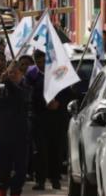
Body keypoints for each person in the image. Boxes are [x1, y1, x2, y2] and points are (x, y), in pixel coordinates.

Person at [28, 49, 70, 191]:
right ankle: (40, 180)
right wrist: (44, 103)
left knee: (55, 150)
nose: (40, 65)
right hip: (40, 119)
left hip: (57, 119)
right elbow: (30, 96)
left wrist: (58, 102)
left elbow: (67, 92)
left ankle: (55, 179)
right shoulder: (32, 76)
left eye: (42, 61)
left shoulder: (59, 73)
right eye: (37, 62)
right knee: (40, 151)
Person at [0, 61, 30, 196]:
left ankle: (16, 191)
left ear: (21, 74)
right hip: (4, 135)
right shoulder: (2, 87)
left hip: (21, 136)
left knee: (20, 170)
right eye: (10, 72)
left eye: (15, 73)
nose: (12, 75)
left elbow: (21, 97)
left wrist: (7, 83)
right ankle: (2, 189)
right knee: (2, 167)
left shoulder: (26, 86)